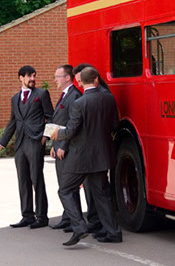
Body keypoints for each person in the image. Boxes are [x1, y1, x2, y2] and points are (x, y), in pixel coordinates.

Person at [50, 65, 122, 246]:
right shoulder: (109, 98)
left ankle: (79, 226)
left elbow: (71, 131)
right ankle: (113, 232)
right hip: (102, 155)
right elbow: (115, 125)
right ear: (96, 80)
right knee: (102, 194)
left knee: (65, 190)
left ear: (81, 81)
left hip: (81, 156)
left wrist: (57, 134)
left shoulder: (79, 103)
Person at [0, 65, 54, 229]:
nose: (33, 79)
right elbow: (12, 123)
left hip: (35, 142)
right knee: (23, 180)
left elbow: (51, 117)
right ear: (21, 78)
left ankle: (42, 217)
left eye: (34, 76)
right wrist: (1, 143)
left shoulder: (42, 94)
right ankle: (27, 216)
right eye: (29, 76)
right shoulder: (15, 99)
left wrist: (45, 137)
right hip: (20, 144)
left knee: (37, 179)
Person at [72, 62, 112, 235]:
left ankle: (105, 226)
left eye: (80, 80)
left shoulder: (84, 100)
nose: (79, 84)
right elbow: (114, 124)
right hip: (101, 151)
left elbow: (75, 129)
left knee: (98, 192)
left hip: (90, 153)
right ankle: (101, 225)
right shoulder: (106, 96)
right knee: (97, 191)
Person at [48, 64, 82, 231]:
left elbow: (72, 124)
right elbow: (59, 122)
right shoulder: (65, 95)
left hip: (68, 148)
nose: (55, 80)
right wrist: (54, 145)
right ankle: (68, 217)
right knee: (63, 184)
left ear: (67, 78)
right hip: (59, 145)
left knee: (69, 187)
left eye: (57, 77)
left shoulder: (74, 95)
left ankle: (75, 221)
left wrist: (63, 145)